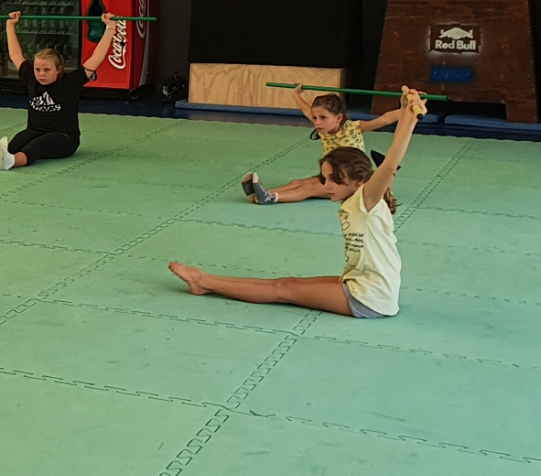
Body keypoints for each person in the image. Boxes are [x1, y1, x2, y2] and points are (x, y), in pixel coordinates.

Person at [171, 86, 426, 317]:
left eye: (334, 180)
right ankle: (207, 281)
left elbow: (390, 164)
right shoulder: (357, 197)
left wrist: (410, 120)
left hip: (370, 297)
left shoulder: (366, 199)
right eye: (325, 178)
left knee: (284, 290)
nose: (327, 186)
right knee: (289, 283)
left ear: (359, 181)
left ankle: (204, 282)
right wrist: (405, 109)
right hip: (361, 282)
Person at [0, 11, 117, 169]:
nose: (41, 74)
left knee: (35, 147)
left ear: (58, 70)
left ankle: (12, 162)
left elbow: (96, 58)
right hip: (35, 130)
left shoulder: (70, 82)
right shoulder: (31, 78)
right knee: (17, 142)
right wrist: (10, 25)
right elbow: (16, 54)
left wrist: (110, 28)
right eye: (38, 69)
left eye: (47, 70)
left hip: (65, 137)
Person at [242, 88, 406, 204]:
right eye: (315, 118)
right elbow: (305, 109)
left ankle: (271, 197)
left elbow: (384, 119)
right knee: (297, 182)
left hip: (347, 181)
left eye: (323, 118)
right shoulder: (323, 128)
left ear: (338, 118)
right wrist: (295, 94)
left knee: (309, 188)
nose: (317, 122)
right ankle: (262, 194)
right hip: (331, 176)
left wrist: (407, 109)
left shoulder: (353, 128)